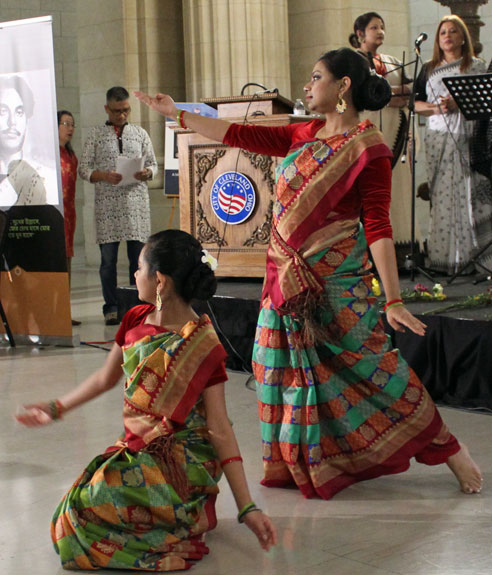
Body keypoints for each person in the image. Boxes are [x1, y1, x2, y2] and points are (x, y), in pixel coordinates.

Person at [135, 47, 483, 501]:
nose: (307, 85)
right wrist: (176, 112)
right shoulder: (304, 132)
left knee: (374, 371)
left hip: (333, 284)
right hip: (282, 280)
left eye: (316, 77)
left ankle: (450, 449)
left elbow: (378, 225)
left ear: (343, 87)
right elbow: (236, 133)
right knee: (274, 368)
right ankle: (301, 462)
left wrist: (394, 299)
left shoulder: (367, 147)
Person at [15, 229, 277, 571]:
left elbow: (219, 428)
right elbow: (104, 379)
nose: (135, 274)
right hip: (137, 449)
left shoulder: (202, 344)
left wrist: (247, 508)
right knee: (70, 517)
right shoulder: (135, 320)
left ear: (160, 281)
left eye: (140, 267)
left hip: (179, 462)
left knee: (79, 519)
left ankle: (183, 511)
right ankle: (175, 520)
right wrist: (55, 407)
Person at [414, 15, 492, 274]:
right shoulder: (428, 68)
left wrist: (458, 103)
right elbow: (415, 103)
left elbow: (485, 103)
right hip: (438, 137)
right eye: (443, 32)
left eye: (453, 31)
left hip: (469, 136)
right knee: (442, 193)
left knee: (472, 192)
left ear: (462, 37)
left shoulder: (477, 66)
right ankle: (446, 260)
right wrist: (437, 107)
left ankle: (476, 258)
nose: (447, 36)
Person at [79, 86, 158, 326]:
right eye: (116, 111)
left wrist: (147, 172)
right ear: (107, 109)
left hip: (136, 206)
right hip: (107, 208)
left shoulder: (140, 133)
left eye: (125, 110)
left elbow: (155, 165)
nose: (121, 115)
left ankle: (137, 307)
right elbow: (84, 169)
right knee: (107, 262)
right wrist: (103, 175)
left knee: (139, 262)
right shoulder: (95, 135)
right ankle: (111, 307)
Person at [349, 12, 422, 265]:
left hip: (397, 133)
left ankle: (403, 255)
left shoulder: (390, 61)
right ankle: (367, 258)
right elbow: (366, 94)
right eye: (373, 27)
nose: (379, 31)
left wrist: (389, 95)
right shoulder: (353, 61)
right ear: (360, 33)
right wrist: (393, 94)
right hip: (368, 134)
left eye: (382, 27)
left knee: (398, 191)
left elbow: (409, 93)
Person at [0, 74, 47, 207]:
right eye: (3, 111)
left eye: (19, 112)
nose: (12, 122)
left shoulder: (43, 175)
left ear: (27, 119)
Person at [58, 110, 80, 326]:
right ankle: (55, 313)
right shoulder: (50, 154)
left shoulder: (71, 155)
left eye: (72, 124)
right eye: (65, 123)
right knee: (56, 264)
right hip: (54, 216)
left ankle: (65, 311)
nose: (70, 128)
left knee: (67, 263)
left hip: (69, 215)